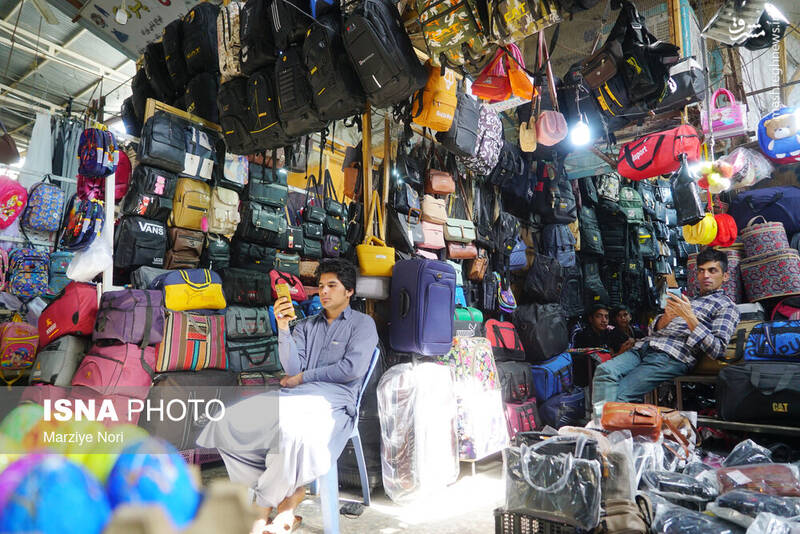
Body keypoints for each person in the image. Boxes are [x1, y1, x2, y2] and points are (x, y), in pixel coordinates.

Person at [197, 259, 379, 534]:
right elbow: (293, 368)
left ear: (349, 291)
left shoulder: (363, 325)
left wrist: (304, 377)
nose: (324, 291)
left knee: (290, 433)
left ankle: (263, 507)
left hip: (335, 402)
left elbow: (350, 369)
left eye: (332, 285)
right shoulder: (306, 326)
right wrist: (283, 328)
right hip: (295, 395)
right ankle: (289, 497)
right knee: (226, 422)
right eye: (320, 286)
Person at [591, 247, 740, 416]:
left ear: (725, 276)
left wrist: (690, 317)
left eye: (712, 270)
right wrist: (667, 317)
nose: (706, 275)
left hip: (671, 356)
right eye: (701, 271)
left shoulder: (727, 306)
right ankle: (601, 428)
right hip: (645, 347)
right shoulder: (687, 299)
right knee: (605, 372)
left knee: (620, 396)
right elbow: (652, 329)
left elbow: (718, 349)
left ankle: (604, 432)